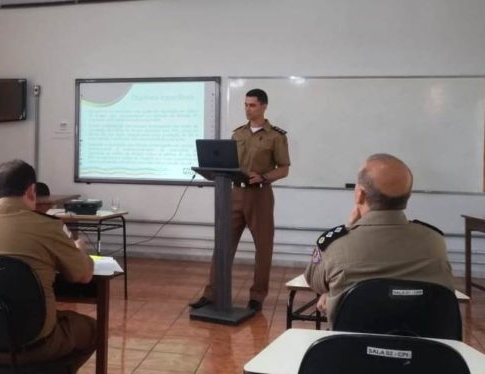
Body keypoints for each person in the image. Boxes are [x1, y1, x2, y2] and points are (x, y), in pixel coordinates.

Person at [0, 159, 96, 372]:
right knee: (93, 329)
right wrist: (79, 248)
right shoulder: (47, 227)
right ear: (31, 192)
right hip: (34, 345)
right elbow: (84, 275)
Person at [304, 153, 455, 322]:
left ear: (360, 194)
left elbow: (314, 282)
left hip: (352, 339)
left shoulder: (334, 246)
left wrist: (349, 227)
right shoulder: (435, 241)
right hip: (424, 338)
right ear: (407, 196)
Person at [191, 88, 291, 311]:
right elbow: (229, 163)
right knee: (222, 245)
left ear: (264, 106)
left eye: (252, 105)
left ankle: (257, 296)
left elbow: (284, 169)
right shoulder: (238, 134)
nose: (248, 109)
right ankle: (212, 293)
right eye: (245, 105)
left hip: (260, 196)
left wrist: (264, 177)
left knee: (263, 249)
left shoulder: (276, 136)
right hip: (234, 194)